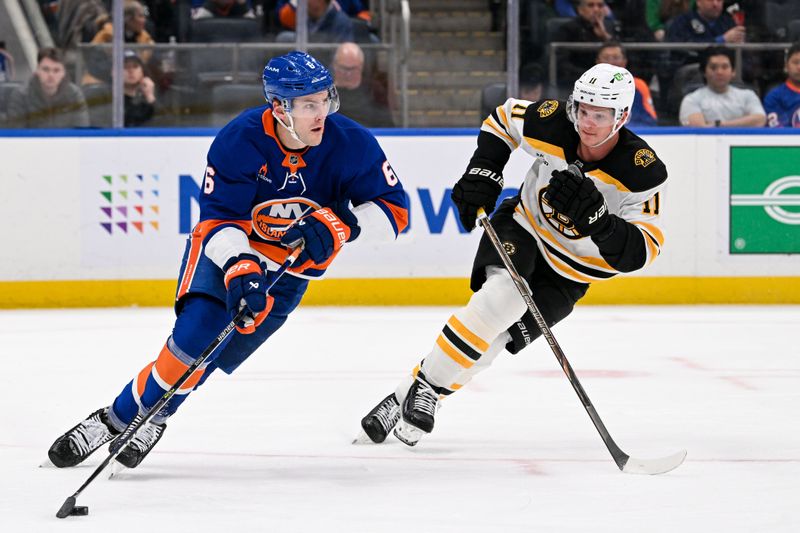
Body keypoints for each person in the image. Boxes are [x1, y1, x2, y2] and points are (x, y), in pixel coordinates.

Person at [47, 51, 408, 469]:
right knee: (194, 339)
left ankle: (156, 415)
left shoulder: (351, 142)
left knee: (211, 355)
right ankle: (114, 420)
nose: (321, 113)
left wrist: (342, 224)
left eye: (325, 100)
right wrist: (241, 265)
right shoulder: (241, 139)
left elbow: (395, 212)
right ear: (279, 107)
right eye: (309, 104)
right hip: (228, 255)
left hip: (288, 275)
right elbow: (219, 219)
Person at [359, 63, 668, 447]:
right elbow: (503, 119)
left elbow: (644, 250)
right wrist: (484, 171)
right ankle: (426, 391)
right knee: (502, 299)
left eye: (600, 115)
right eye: (583, 110)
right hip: (524, 228)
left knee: (500, 338)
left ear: (621, 116)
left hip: (573, 272)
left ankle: (414, 392)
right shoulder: (553, 121)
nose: (587, 123)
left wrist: (602, 224)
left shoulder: (643, 171)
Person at [679, 46, 765, 127]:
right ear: (704, 72)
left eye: (725, 67)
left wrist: (719, 124)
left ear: (733, 72)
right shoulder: (691, 99)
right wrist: (743, 123)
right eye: (713, 67)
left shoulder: (748, 95)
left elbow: (760, 120)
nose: (719, 72)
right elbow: (699, 128)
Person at [6, 47, 89, 128]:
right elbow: (16, 134)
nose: (51, 75)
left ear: (63, 73)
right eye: (46, 69)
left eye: (56, 70)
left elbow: (81, 133)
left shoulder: (74, 94)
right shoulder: (21, 95)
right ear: (37, 70)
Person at [553, 0, 619, 89]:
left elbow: (622, 54)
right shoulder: (568, 29)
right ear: (580, 9)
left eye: (600, 5)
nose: (596, 9)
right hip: (577, 82)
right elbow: (562, 64)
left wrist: (605, 36)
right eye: (591, 5)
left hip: (610, 82)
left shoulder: (610, 27)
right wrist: (591, 77)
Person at [332, 42, 394, 127]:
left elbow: (387, 125)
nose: (348, 74)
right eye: (343, 68)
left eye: (353, 69)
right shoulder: (324, 93)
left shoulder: (375, 90)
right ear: (335, 65)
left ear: (361, 67)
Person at [596, 42, 658, 127]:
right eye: (606, 58)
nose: (611, 62)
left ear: (625, 61)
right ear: (598, 61)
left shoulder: (639, 85)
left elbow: (650, 121)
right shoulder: (585, 86)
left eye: (616, 57)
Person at [665, 0, 743, 44]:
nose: (715, 4)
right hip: (692, 66)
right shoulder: (683, 21)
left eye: (719, 0)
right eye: (710, 0)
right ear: (698, 2)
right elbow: (684, 47)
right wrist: (721, 40)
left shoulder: (728, 22)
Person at [276, 0, 354, 43]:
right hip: (306, 64)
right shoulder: (306, 15)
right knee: (283, 38)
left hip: (324, 68)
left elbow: (340, 60)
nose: (304, 2)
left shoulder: (342, 23)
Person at [764, 42, 800, 129]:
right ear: (786, 66)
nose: (799, 67)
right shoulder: (774, 97)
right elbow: (777, 131)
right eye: (795, 62)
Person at [123, 50, 157, 127]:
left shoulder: (145, 102)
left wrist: (150, 96)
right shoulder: (109, 99)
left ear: (142, 72)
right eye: (125, 67)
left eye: (135, 66)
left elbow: (163, 124)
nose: (131, 70)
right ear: (114, 72)